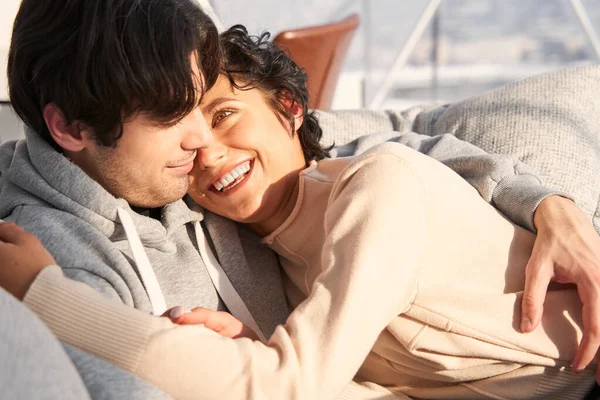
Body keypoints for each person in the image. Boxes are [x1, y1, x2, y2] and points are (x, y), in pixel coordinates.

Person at [2, 25, 600, 399]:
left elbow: (289, 386)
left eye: (223, 114)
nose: (204, 150)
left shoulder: (380, 188)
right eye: (178, 120)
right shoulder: (285, 270)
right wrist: (246, 350)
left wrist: (46, 297)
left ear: (290, 110)